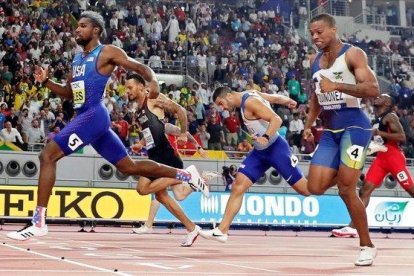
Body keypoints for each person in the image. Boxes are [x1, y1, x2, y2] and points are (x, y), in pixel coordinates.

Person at [7, 11, 206, 241]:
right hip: (87, 117)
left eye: (83, 26)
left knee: (47, 156)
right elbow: (70, 93)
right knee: (129, 168)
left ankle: (39, 222)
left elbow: (142, 69)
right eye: (77, 26)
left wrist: (153, 85)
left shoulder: (107, 52)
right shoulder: (78, 59)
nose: (77, 29)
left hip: (93, 116)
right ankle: (185, 175)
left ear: (96, 30)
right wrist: (46, 82)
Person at [303, 14, 380, 266]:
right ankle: (350, 164)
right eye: (312, 33)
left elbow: (372, 89)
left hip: (355, 126)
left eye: (320, 32)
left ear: (334, 30)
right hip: (330, 131)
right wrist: (308, 123)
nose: (315, 37)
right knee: (314, 187)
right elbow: (316, 96)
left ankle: (367, 246)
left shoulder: (353, 54)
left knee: (346, 188)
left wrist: (337, 85)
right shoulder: (315, 60)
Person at [199, 86, 310, 241]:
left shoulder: (250, 101)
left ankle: (333, 175)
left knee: (306, 189)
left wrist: (266, 136)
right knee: (238, 185)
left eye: (221, 103)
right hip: (259, 152)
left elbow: (276, 119)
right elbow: (275, 98)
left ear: (229, 96)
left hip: (276, 148)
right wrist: (288, 101)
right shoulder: (252, 94)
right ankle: (222, 230)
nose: (222, 108)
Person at [125, 74, 210, 245]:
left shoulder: (154, 99)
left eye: (130, 88)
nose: (127, 91)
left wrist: (185, 133)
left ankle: (187, 176)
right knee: (164, 197)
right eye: (126, 88)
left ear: (142, 87)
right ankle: (192, 229)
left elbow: (181, 110)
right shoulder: (139, 107)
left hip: (165, 156)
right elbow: (153, 130)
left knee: (143, 189)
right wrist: (141, 143)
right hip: (153, 155)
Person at [332, 94, 413, 237]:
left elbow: (402, 137)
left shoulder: (390, 117)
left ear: (387, 102)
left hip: (393, 157)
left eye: (382, 97)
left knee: (412, 191)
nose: (377, 97)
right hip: (381, 158)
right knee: (364, 191)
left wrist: (378, 132)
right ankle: (353, 227)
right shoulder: (379, 118)